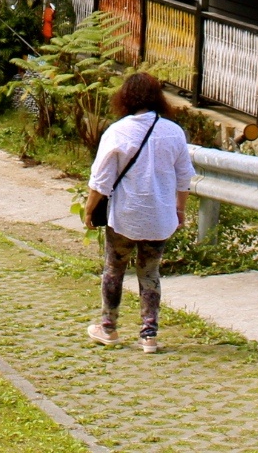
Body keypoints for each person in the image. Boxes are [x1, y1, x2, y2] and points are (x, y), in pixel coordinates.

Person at [82, 73, 195, 354]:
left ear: (125, 98)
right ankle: (149, 335)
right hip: (159, 217)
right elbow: (184, 178)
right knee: (150, 272)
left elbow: (100, 182)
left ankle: (108, 327)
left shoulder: (118, 132)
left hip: (125, 216)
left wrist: (88, 211)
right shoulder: (173, 132)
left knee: (114, 269)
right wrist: (180, 210)